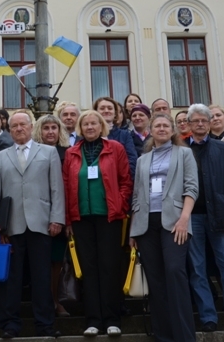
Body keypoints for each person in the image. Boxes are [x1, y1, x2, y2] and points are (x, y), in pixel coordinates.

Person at [0, 111, 65, 339]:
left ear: (31, 127)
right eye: (15, 126)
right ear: (10, 130)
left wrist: (57, 217)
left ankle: (45, 325)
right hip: (11, 224)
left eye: (23, 125)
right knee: (11, 279)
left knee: (42, 277)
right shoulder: (1, 157)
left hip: (41, 222)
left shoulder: (48, 152)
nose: (19, 129)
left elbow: (56, 188)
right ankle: (9, 324)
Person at [62, 110, 132, 337]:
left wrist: (120, 205)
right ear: (80, 129)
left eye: (94, 123)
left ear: (102, 126)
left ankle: (112, 319)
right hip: (81, 218)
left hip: (109, 217)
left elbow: (125, 181)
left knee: (109, 267)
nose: (90, 127)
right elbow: (65, 186)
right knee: (88, 269)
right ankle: (92, 320)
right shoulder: (72, 153)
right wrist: (68, 218)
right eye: (86, 124)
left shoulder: (115, 148)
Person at [129, 113, 198, 342]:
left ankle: (184, 336)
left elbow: (191, 188)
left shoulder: (184, 153)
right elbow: (137, 195)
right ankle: (163, 336)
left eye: (165, 125)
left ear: (172, 130)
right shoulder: (142, 159)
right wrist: (133, 229)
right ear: (150, 130)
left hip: (175, 222)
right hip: (146, 224)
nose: (161, 128)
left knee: (174, 272)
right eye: (157, 125)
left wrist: (184, 218)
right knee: (155, 280)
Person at [184, 103, 224, 334]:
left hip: (221, 217)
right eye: (196, 121)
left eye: (204, 120)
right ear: (189, 124)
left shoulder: (223, 149)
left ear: (210, 123)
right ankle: (208, 317)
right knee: (198, 270)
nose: (200, 124)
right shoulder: (181, 149)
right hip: (192, 219)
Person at [32, 114, 70, 317]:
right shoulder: (33, 153)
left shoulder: (69, 153)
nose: (50, 132)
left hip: (61, 214)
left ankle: (56, 300)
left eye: (54, 128)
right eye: (45, 128)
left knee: (57, 261)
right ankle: (43, 302)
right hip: (36, 214)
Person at [93, 97, 137, 182]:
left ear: (115, 113)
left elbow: (132, 161)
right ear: (96, 112)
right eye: (102, 108)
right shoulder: (89, 135)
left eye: (110, 108)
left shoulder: (124, 135)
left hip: (118, 185)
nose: (106, 111)